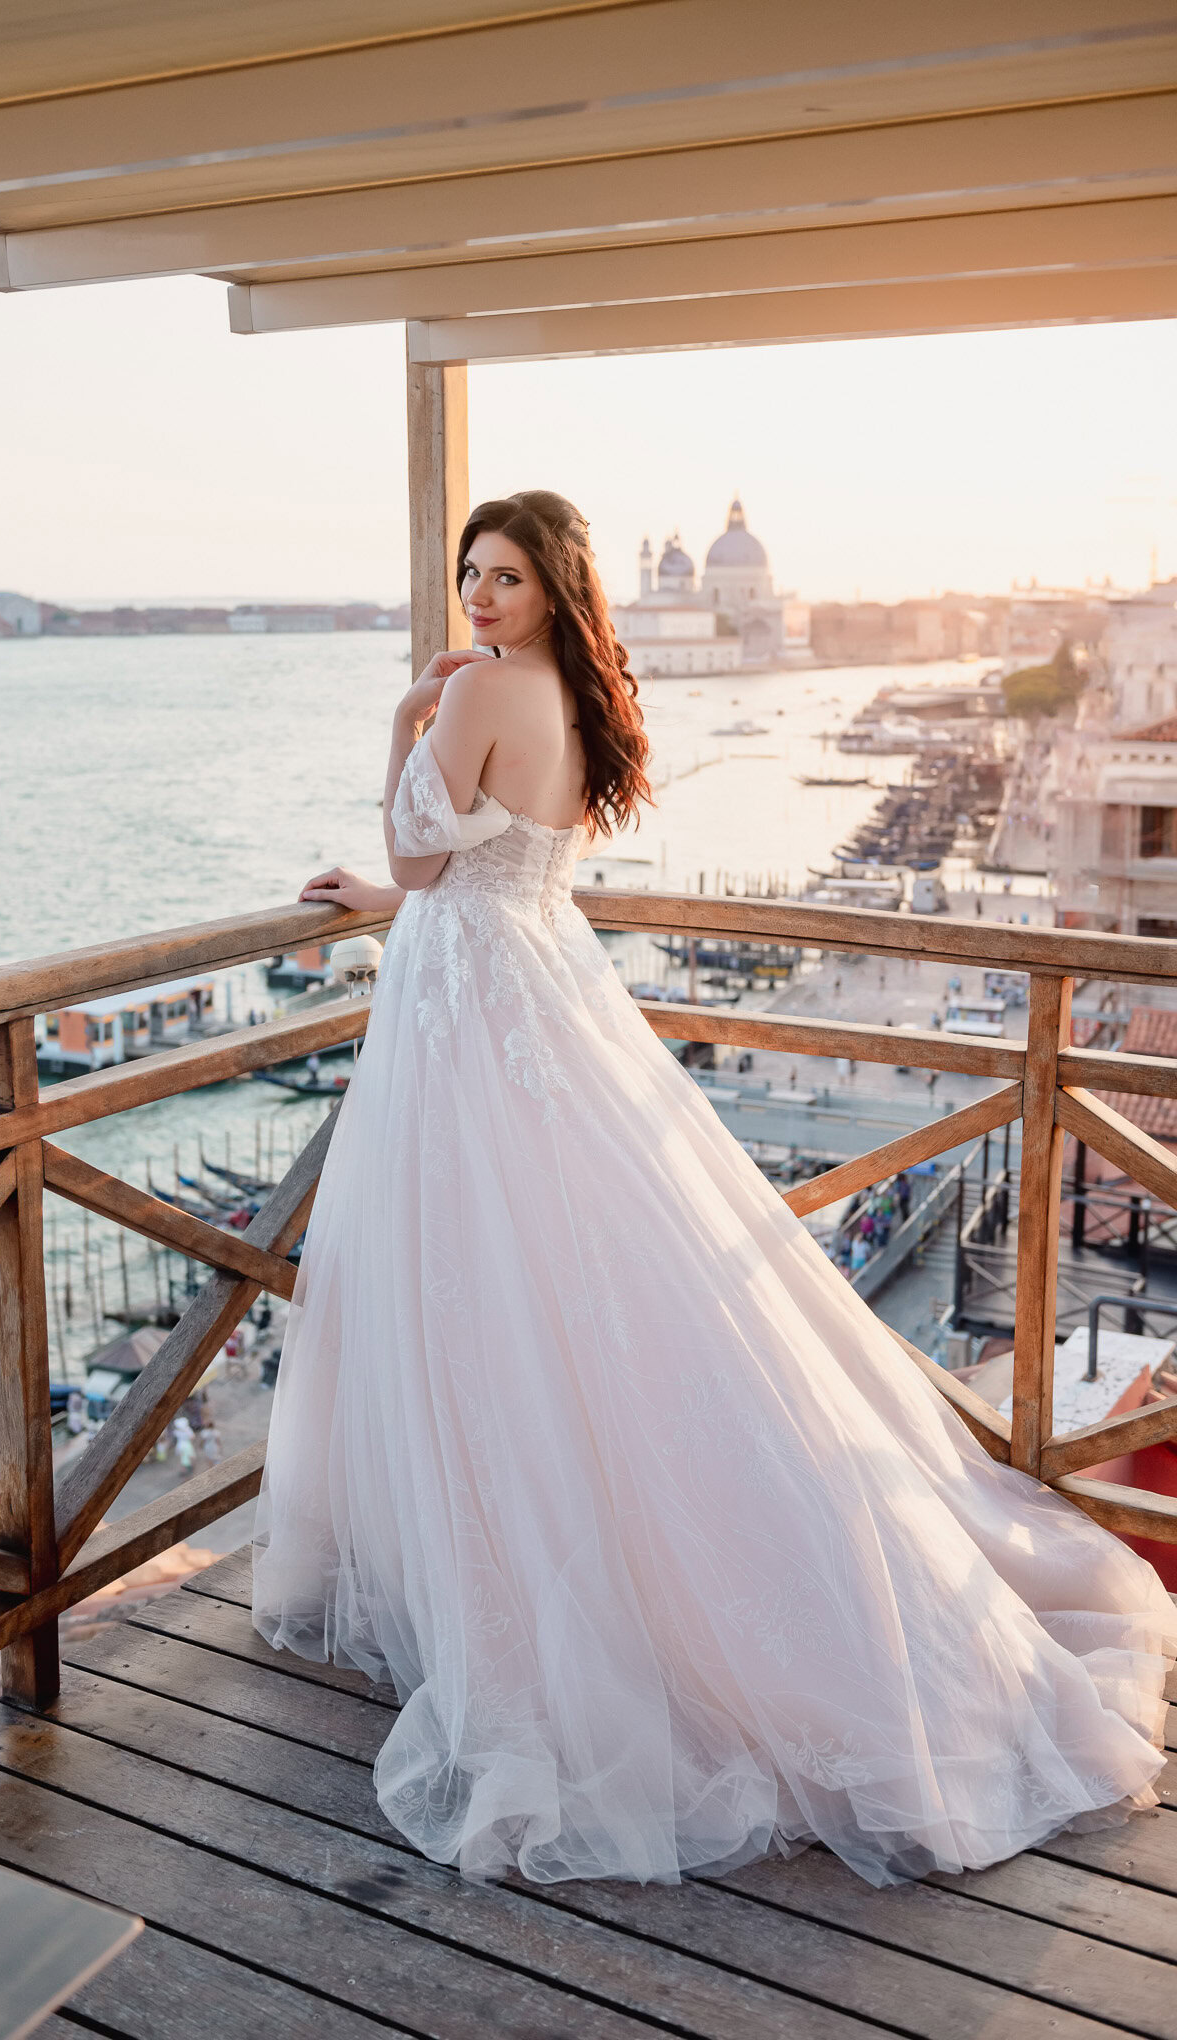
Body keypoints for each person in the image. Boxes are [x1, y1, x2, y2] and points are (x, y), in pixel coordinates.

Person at [250, 487, 1175, 1893]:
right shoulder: (569, 690)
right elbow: (503, 872)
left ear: (553, 585)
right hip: (527, 998)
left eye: (502, 576)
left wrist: (400, 724)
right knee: (569, 1299)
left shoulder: (480, 688)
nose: (479, 599)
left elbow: (419, 854)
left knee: (483, 1301)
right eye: (468, 575)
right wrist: (394, 904)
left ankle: (535, 1601)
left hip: (471, 1030)